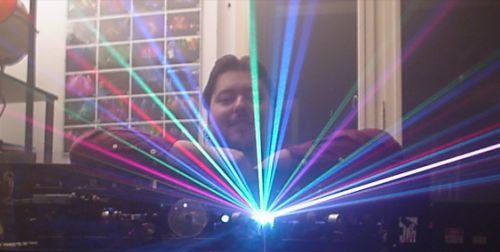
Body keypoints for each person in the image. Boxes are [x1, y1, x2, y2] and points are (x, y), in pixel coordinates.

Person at [70, 54, 401, 198]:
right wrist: (183, 153)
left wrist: (291, 157)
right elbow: (84, 147)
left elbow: (385, 146)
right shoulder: (177, 167)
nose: (240, 106)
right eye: (226, 98)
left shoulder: (305, 168)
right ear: (207, 112)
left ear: (275, 109)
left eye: (254, 97)